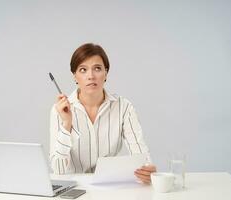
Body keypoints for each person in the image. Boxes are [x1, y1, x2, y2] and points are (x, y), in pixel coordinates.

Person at [49, 43, 156, 184]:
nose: (91, 76)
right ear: (74, 76)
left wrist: (147, 170)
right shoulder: (60, 110)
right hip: (74, 188)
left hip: (109, 186)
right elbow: (59, 170)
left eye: (97, 69)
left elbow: (141, 155)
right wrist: (66, 124)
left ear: (106, 73)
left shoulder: (123, 107)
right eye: (83, 70)